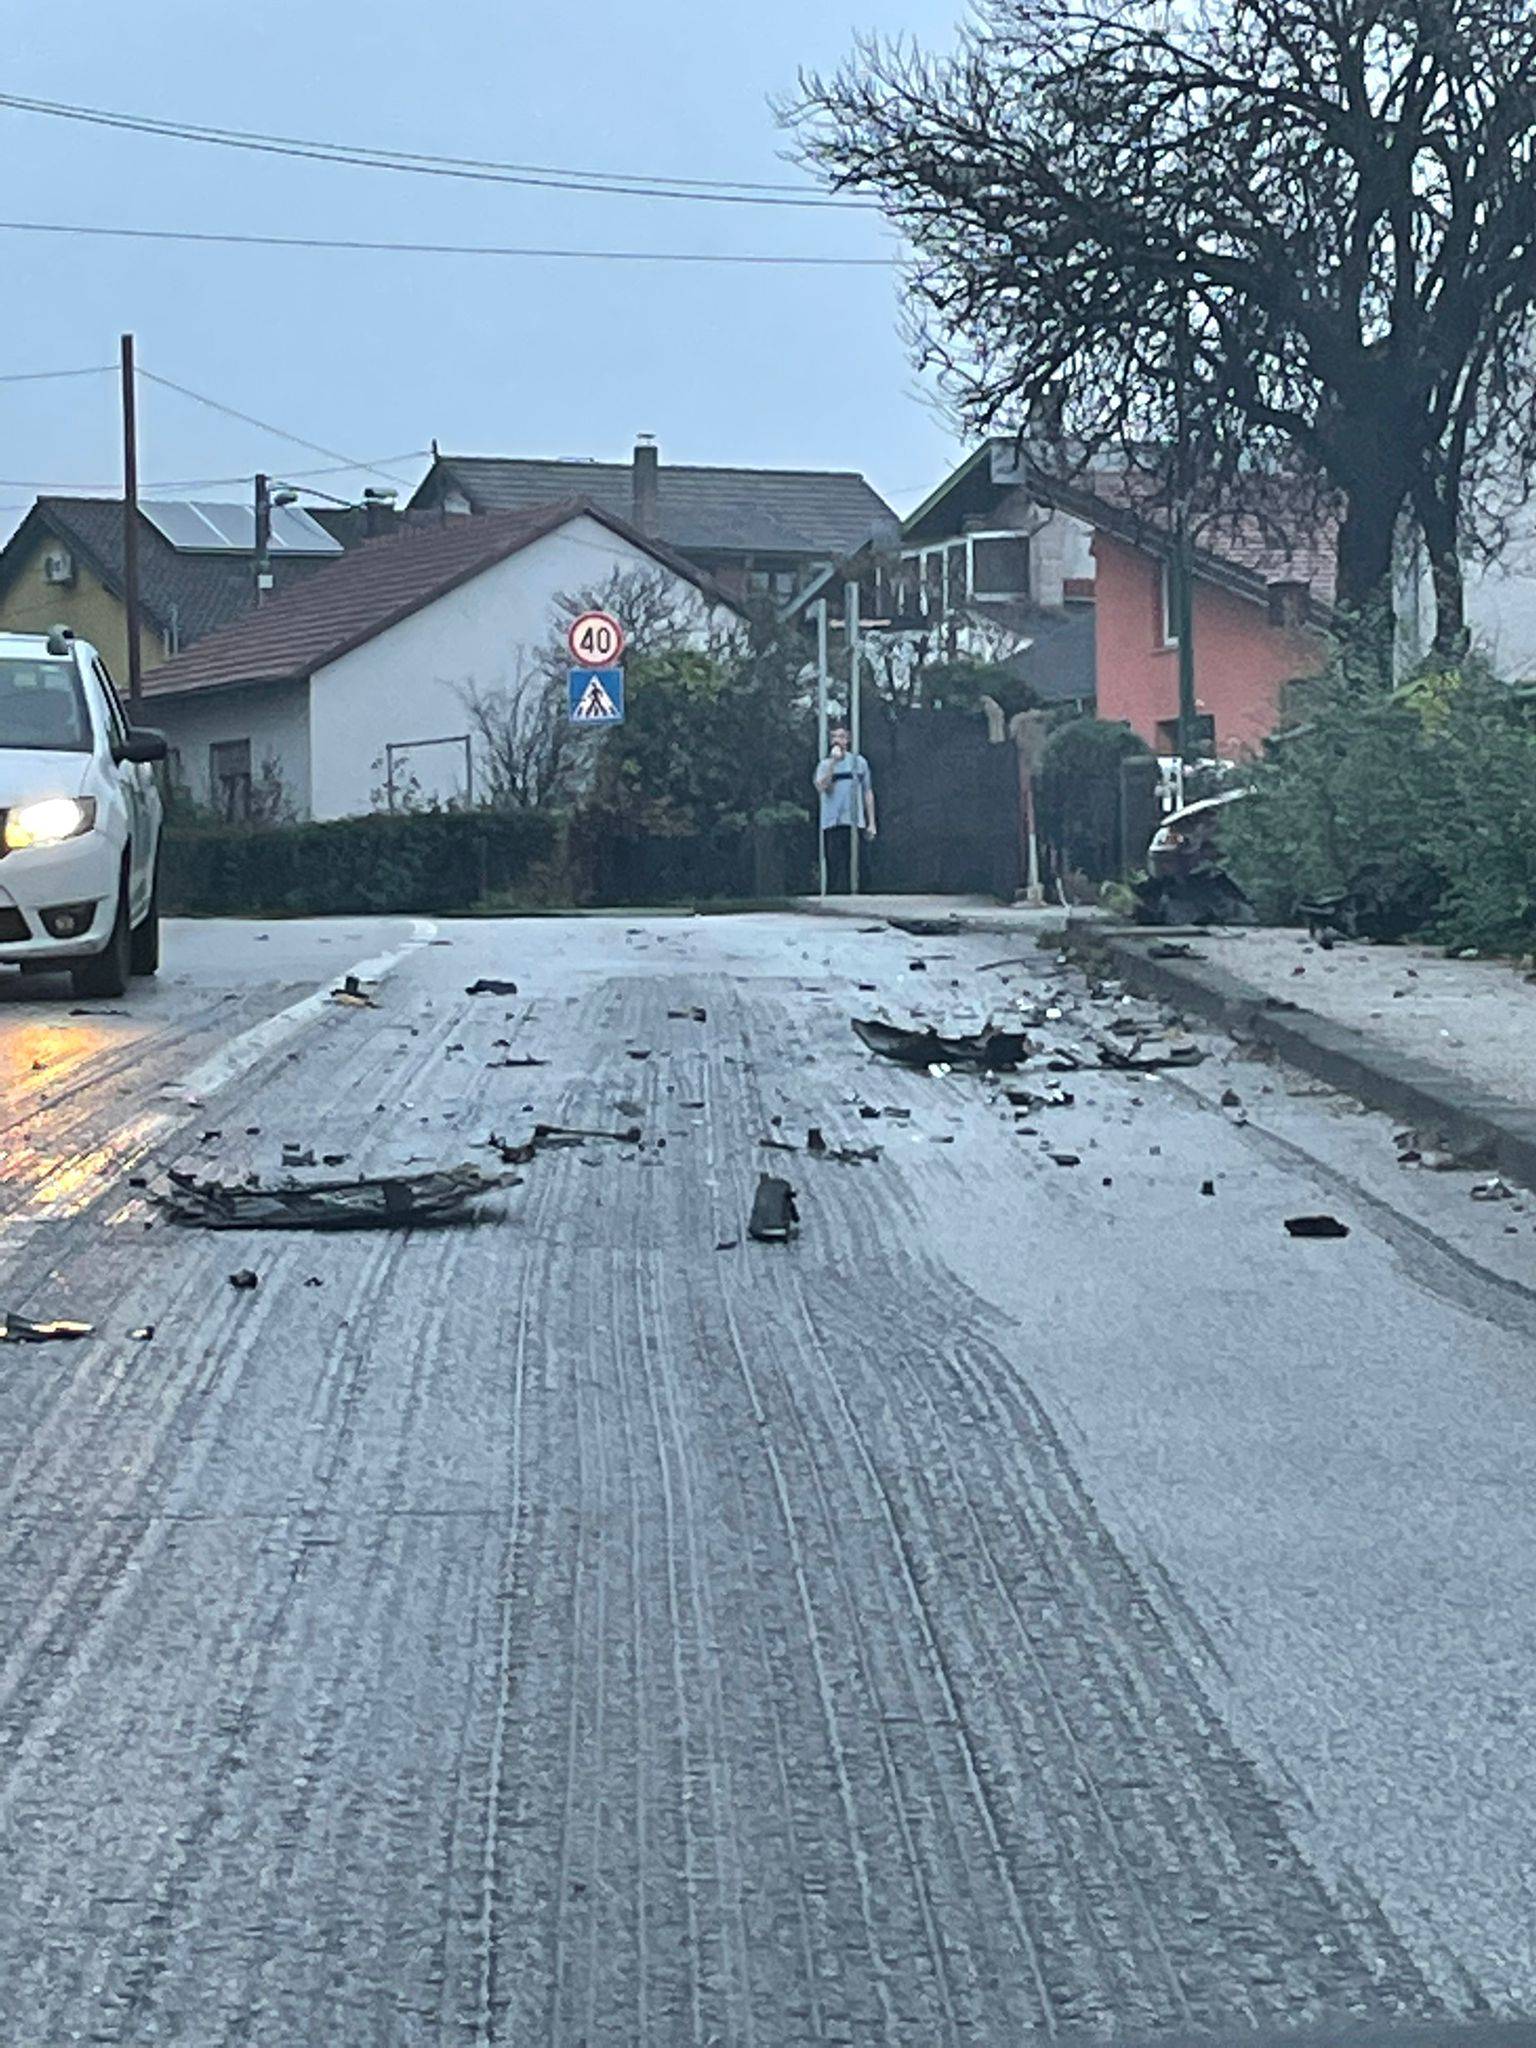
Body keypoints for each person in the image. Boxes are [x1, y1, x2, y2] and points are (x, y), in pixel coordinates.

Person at [813, 722, 876, 894]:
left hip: (854, 821)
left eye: (840, 737)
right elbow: (822, 787)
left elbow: (867, 791)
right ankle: (834, 899)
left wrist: (871, 823)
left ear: (847, 739)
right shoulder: (824, 765)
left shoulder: (859, 762)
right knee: (834, 865)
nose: (837, 740)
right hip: (832, 822)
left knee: (860, 864)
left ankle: (862, 897)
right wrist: (833, 763)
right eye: (833, 737)